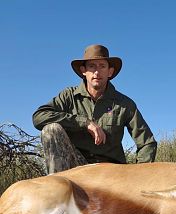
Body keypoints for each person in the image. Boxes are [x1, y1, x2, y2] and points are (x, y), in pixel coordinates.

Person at [32, 44, 157, 174]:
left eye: (102, 66)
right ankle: (58, 187)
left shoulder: (125, 103)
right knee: (51, 129)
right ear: (83, 71)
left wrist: (138, 174)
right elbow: (39, 117)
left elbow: (147, 143)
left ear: (110, 72)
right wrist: (85, 123)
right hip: (76, 168)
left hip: (112, 171)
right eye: (92, 66)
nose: (97, 72)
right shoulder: (68, 96)